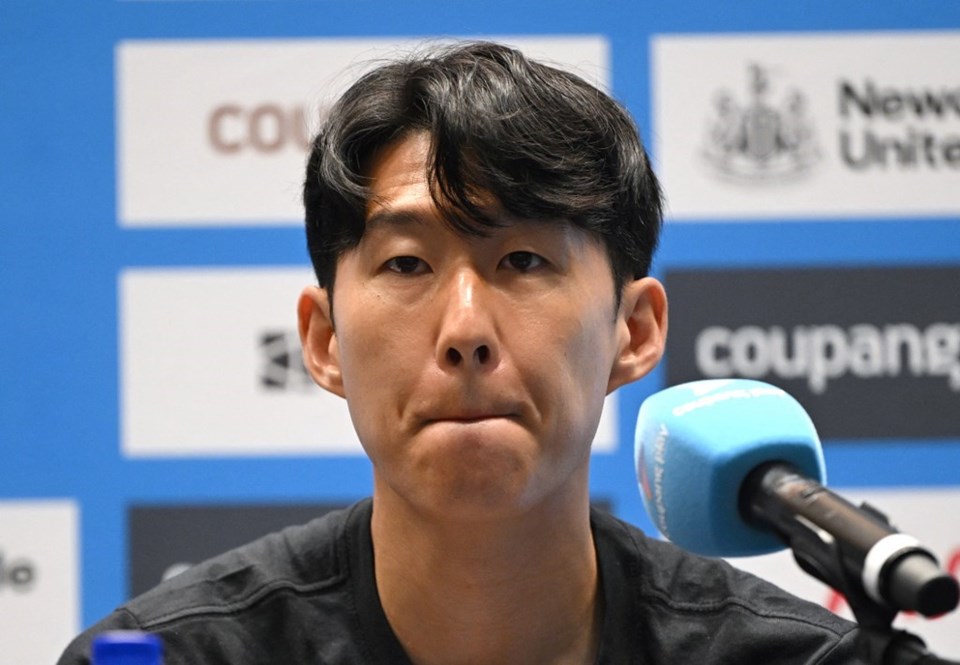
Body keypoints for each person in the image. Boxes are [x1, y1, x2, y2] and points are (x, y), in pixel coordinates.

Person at [59, 41, 862, 664]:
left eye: (524, 260)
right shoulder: (179, 654)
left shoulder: (794, 658)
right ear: (324, 339)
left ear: (635, 329)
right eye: (407, 264)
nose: (466, 328)